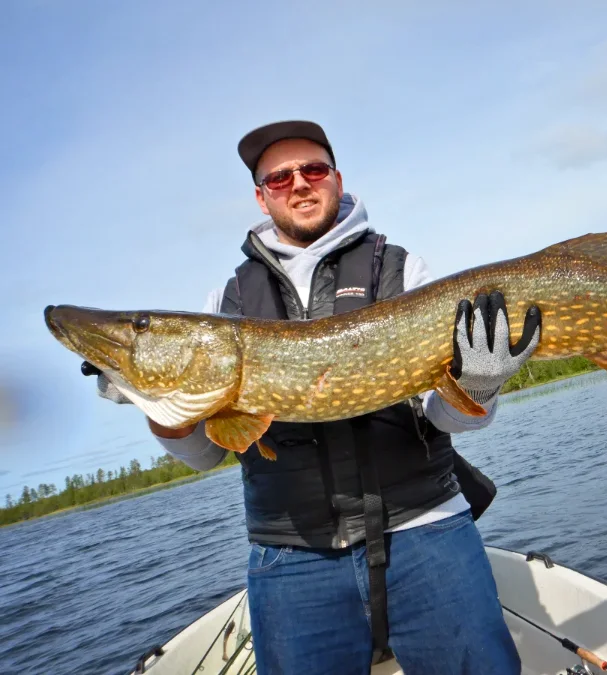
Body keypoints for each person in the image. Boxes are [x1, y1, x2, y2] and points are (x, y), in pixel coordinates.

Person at [88, 120, 541, 674]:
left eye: (313, 169)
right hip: (291, 554)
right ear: (261, 197)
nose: (299, 184)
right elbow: (209, 452)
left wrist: (479, 382)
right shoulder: (226, 302)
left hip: (427, 530)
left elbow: (449, 419)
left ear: (336, 178)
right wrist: (155, 405)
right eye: (279, 178)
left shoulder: (402, 270)